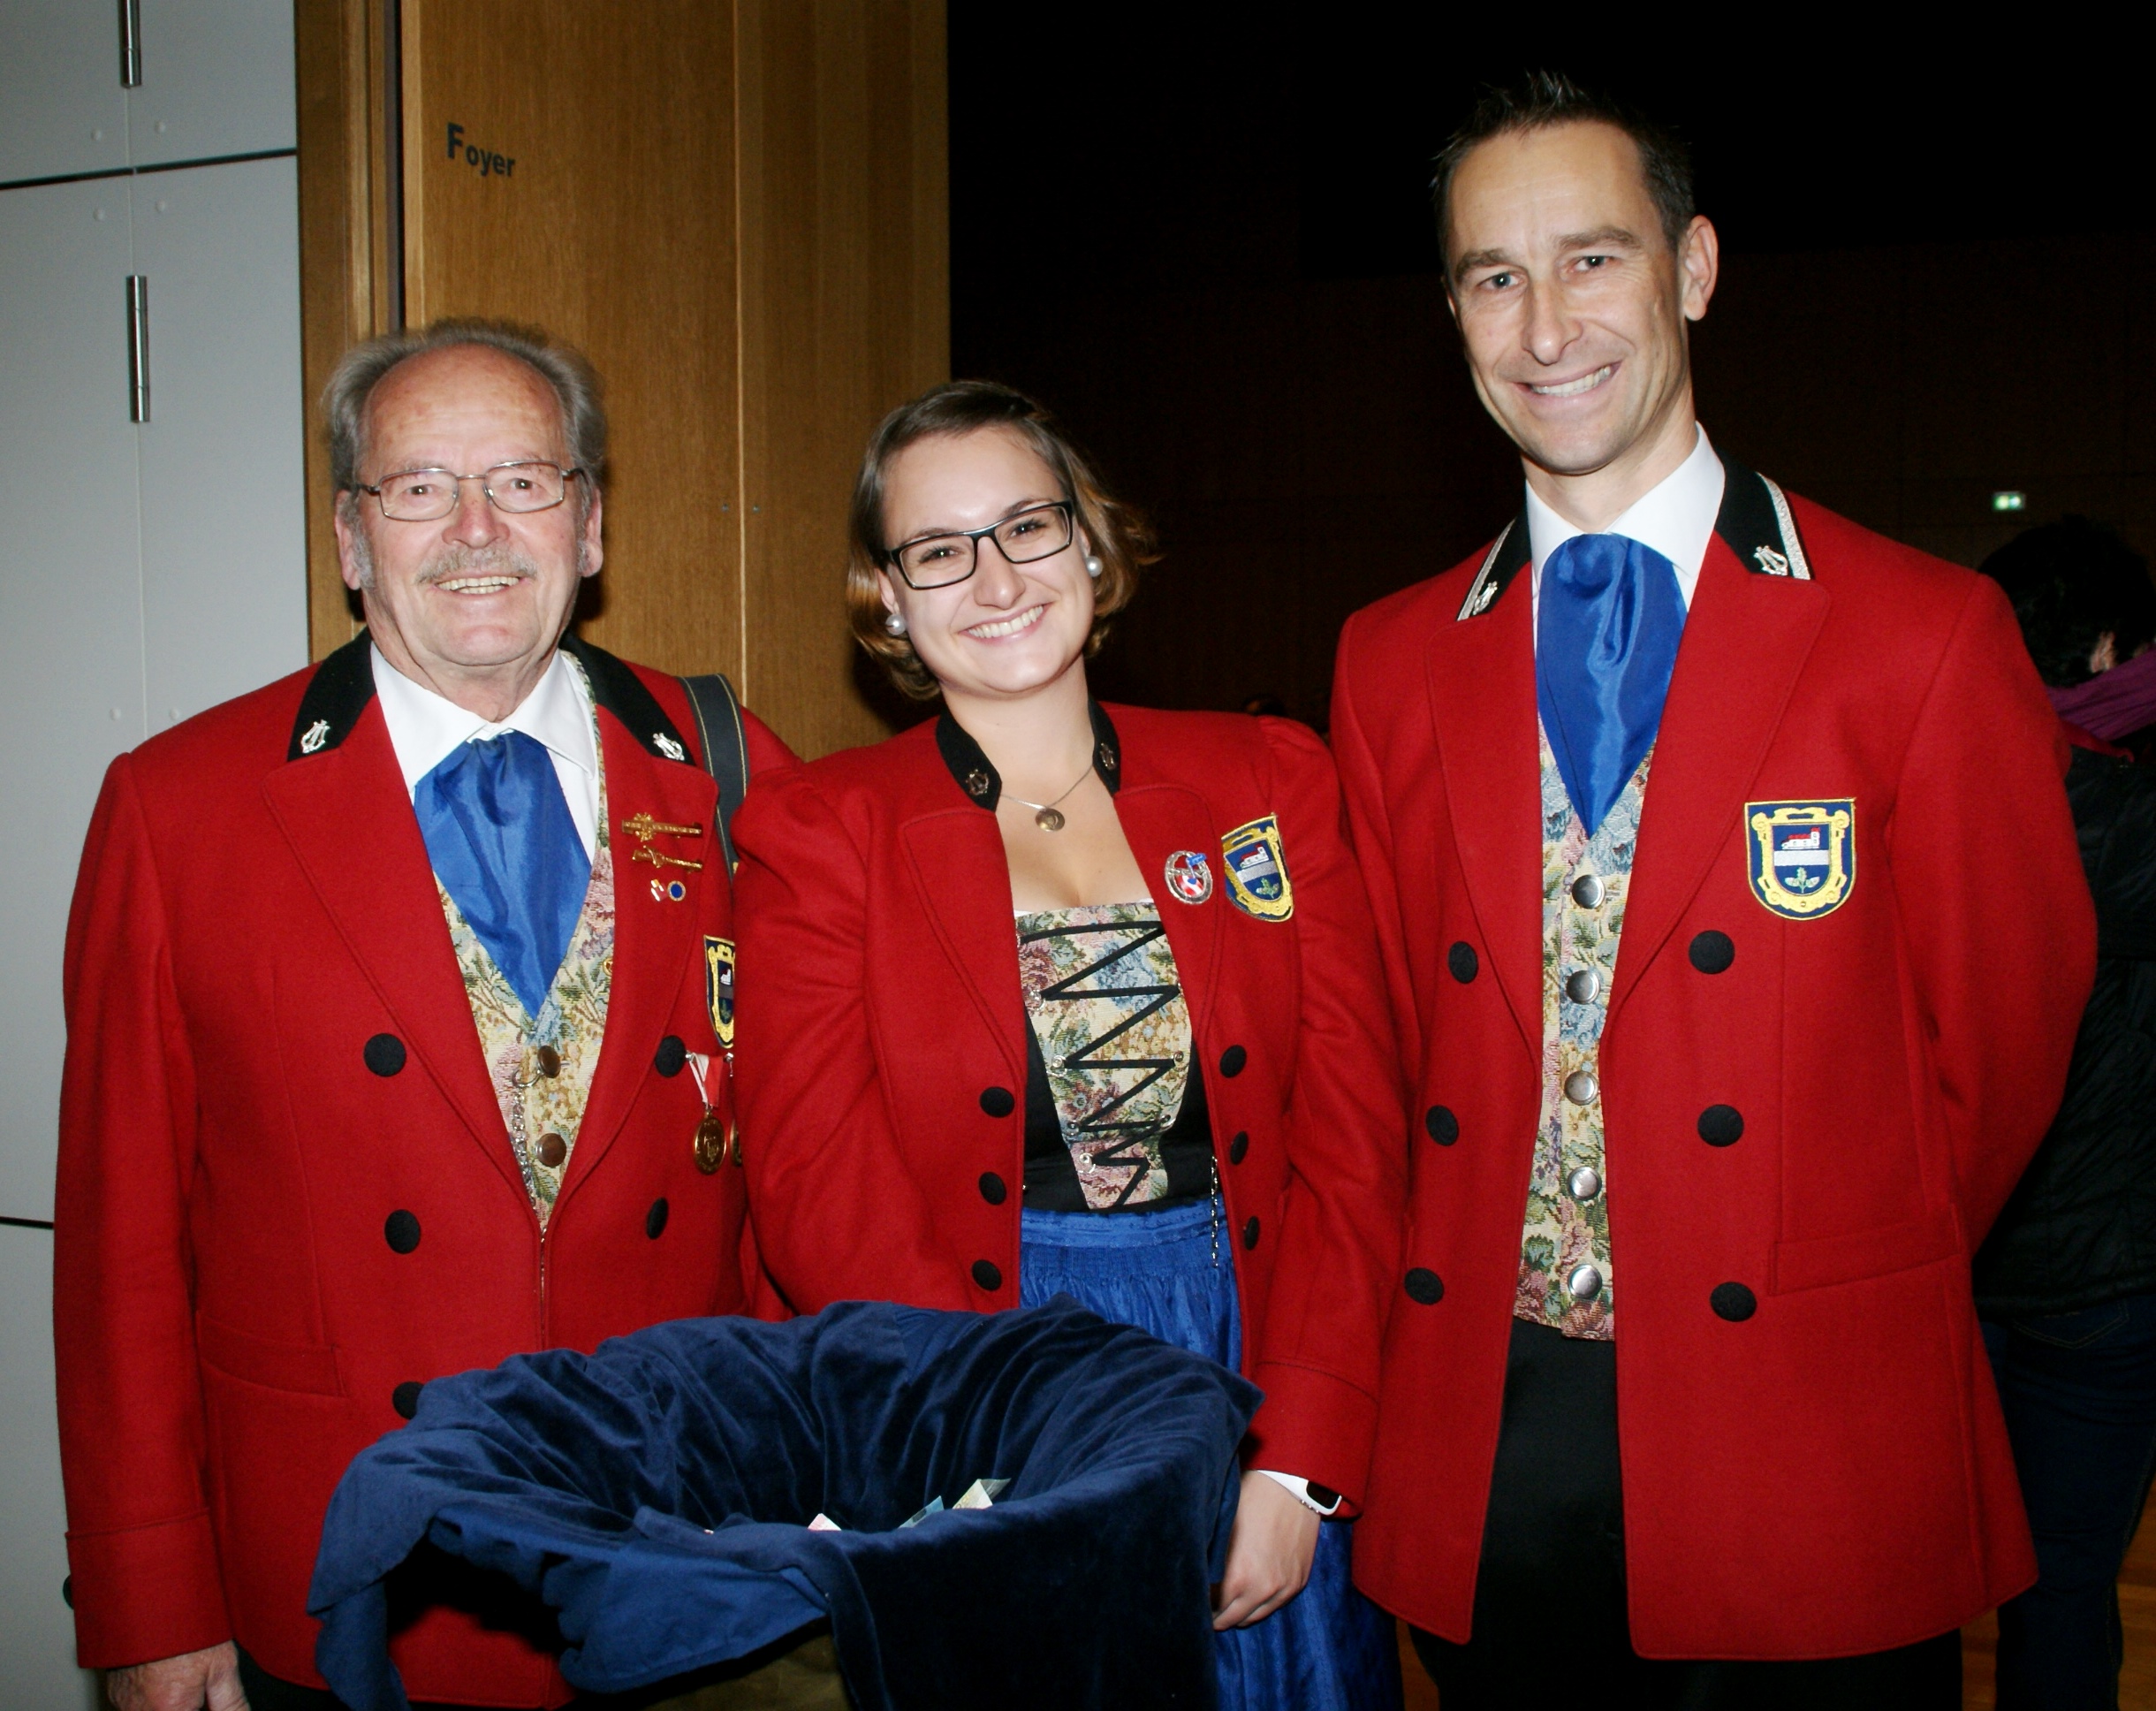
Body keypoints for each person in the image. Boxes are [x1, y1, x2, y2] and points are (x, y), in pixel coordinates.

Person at [1327, 73, 2093, 1707]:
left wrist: (1820, 1259)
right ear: (1453, 312)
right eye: (1493, 277)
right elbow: (1383, 1052)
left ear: (1694, 267)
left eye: (1593, 259)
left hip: (1807, 1429)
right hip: (1490, 1438)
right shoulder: (1386, 662)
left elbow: (2004, 1046)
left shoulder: (1920, 636)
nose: (1547, 328)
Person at [54, 320, 793, 1711]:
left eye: (522, 480)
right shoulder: (182, 810)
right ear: (351, 538)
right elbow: (119, 1256)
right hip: (351, 1564)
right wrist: (150, 1604)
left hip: (677, 1551)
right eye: (417, 488)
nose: (475, 530)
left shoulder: (730, 774)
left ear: (588, 524)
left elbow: (793, 1184)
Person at [730, 380, 1405, 1710]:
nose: (995, 579)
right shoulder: (821, 829)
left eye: (1028, 527)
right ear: (890, 599)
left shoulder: (1271, 780)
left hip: (1250, 1355)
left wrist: (1297, 1461)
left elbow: (1354, 1141)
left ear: (1090, 545)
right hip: (980, 1371)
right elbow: (817, 1187)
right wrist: (993, 1452)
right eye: (938, 550)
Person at [1977, 517, 2156, 1710]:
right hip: (2105, 1278)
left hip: (1958, 1262)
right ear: (2101, 651)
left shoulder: (1935, 793)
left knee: (1931, 1575)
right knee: (2064, 1589)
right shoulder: (2125, 817)